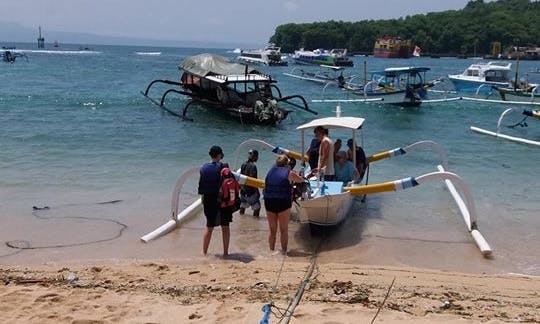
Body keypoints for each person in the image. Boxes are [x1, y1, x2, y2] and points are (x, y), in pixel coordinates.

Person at [263, 155, 304, 255]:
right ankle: (284, 252)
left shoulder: (270, 172)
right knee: (283, 229)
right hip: (283, 202)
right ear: (287, 164)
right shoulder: (289, 173)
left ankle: (271, 251)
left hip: (269, 201)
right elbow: (301, 180)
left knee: (272, 230)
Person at [198, 145, 230, 257]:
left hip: (208, 200)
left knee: (209, 227)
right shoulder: (224, 166)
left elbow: (201, 186)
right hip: (222, 200)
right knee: (225, 227)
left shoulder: (203, 168)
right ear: (220, 155)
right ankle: (225, 253)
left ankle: (204, 252)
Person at [239, 149, 261, 217]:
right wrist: (257, 192)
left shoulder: (243, 164)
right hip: (250, 192)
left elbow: (241, 178)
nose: (257, 158)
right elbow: (253, 181)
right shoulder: (253, 166)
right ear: (254, 156)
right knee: (257, 207)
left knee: (243, 206)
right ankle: (255, 222)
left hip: (243, 191)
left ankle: (241, 220)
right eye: (257, 156)